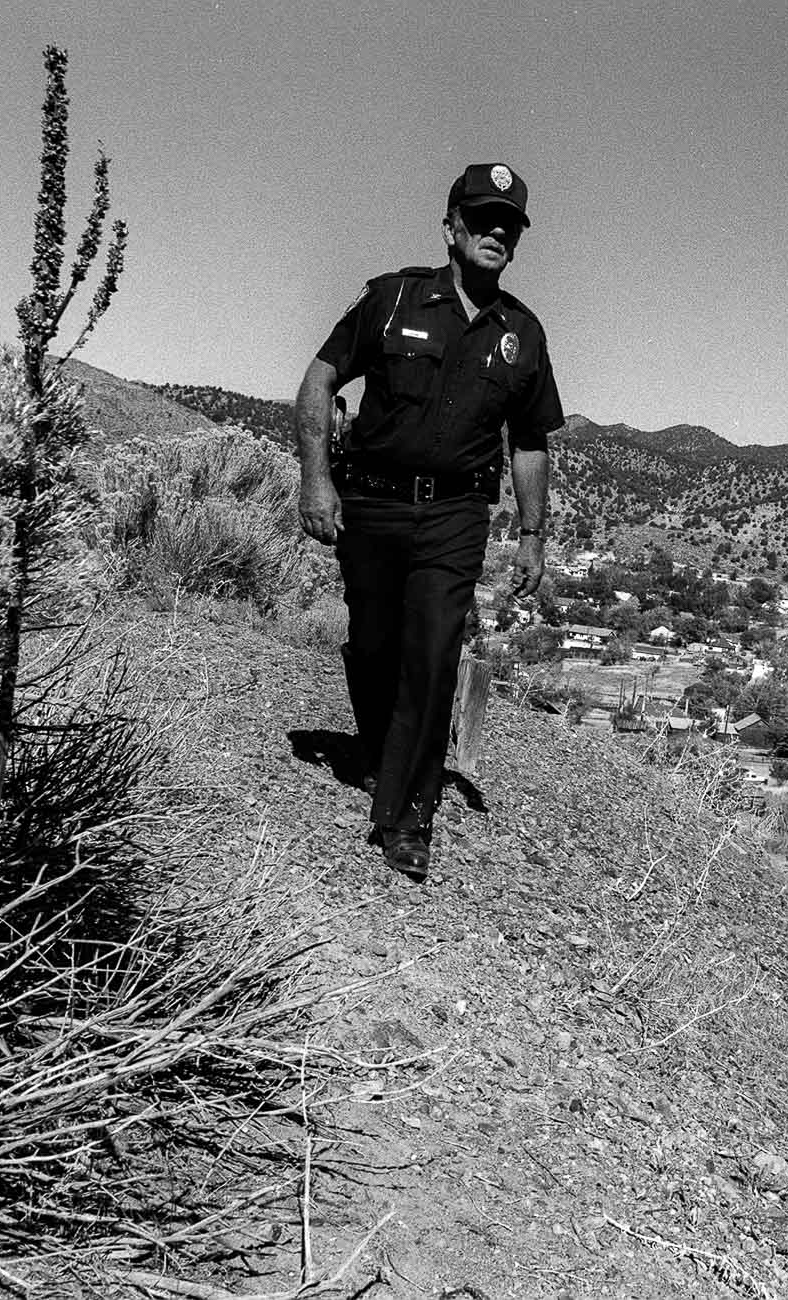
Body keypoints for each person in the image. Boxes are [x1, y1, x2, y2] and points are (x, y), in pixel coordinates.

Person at [294, 163, 561, 881]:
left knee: (434, 654)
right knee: (376, 642)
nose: (495, 233)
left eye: (509, 225)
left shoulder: (523, 335)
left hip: (454, 513)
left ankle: (405, 817)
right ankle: (384, 749)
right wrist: (316, 479)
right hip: (373, 503)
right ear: (451, 227)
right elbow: (319, 379)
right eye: (482, 220)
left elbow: (529, 441)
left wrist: (533, 533)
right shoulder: (390, 298)